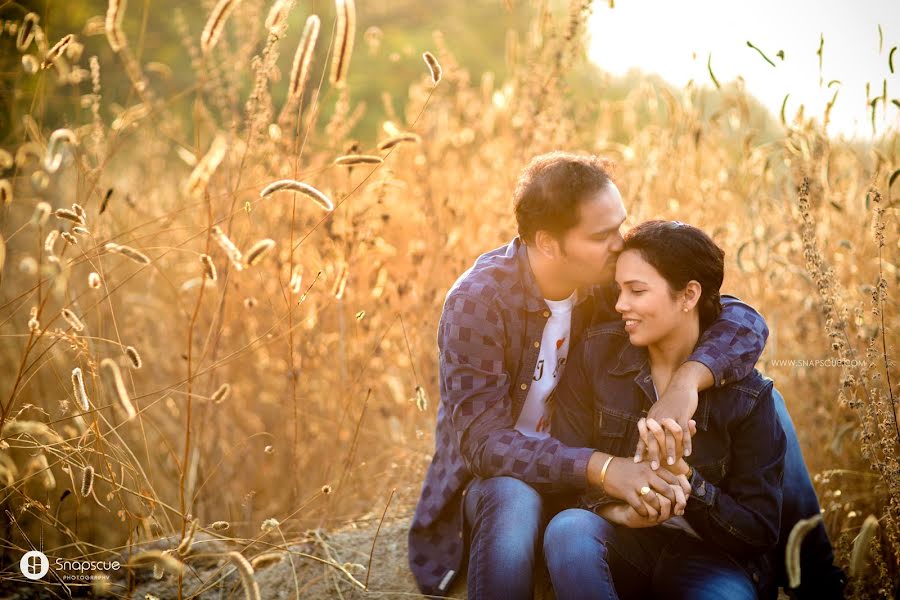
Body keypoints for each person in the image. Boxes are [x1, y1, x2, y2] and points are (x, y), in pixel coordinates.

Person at [408, 152, 773, 598]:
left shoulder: (603, 284)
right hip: (503, 487)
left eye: (620, 225)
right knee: (514, 497)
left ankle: (815, 571)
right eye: (602, 235)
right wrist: (604, 469)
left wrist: (686, 384)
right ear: (548, 244)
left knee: (766, 403)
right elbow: (485, 445)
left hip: (581, 486)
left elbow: (739, 317)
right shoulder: (477, 302)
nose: (620, 244)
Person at [545, 220, 845, 599]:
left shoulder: (749, 397)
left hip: (713, 558)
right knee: (568, 530)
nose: (620, 304)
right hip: (622, 542)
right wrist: (619, 511)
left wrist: (688, 482)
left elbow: (758, 531)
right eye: (620, 289)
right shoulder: (595, 355)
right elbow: (563, 474)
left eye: (637, 291)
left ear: (688, 296)